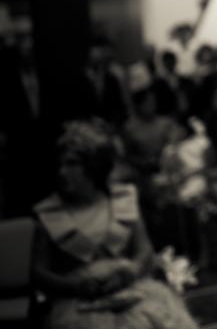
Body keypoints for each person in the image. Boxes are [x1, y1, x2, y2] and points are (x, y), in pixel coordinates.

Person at [31, 122, 197, 329]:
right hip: (79, 303)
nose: (62, 172)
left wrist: (130, 272)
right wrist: (75, 286)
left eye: (72, 164)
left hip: (130, 289)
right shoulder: (50, 213)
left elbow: (144, 250)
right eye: (60, 165)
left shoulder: (121, 200)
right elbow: (38, 272)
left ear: (93, 166)